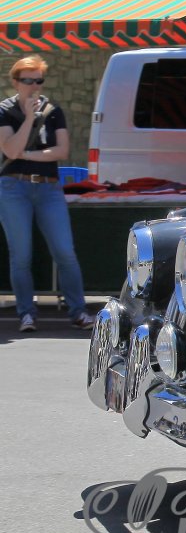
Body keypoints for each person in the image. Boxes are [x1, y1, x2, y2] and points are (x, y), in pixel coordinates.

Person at [0, 55, 92, 332]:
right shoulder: (5, 110)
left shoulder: (53, 111)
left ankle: (78, 311)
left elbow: (62, 151)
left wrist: (26, 154)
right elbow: (9, 149)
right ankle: (26, 313)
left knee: (65, 251)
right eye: (28, 80)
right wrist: (29, 118)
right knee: (21, 255)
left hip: (48, 187)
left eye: (38, 80)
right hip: (14, 187)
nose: (34, 86)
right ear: (16, 82)